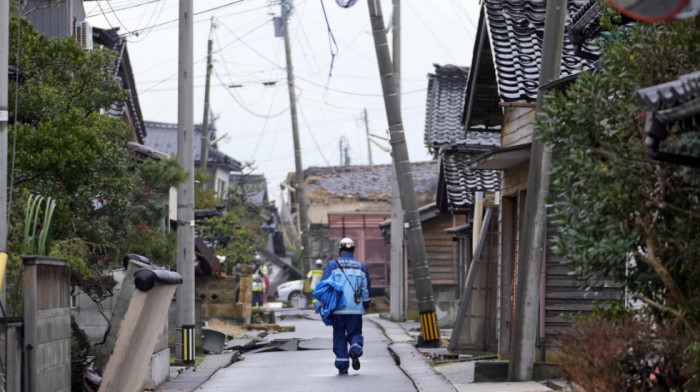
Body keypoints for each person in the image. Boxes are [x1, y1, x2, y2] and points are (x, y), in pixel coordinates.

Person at [317, 238, 371, 375]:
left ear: (340, 251)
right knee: (355, 332)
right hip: (355, 308)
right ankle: (355, 347)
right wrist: (365, 305)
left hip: (337, 309)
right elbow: (366, 290)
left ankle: (342, 364)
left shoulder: (332, 265)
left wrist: (323, 304)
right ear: (353, 250)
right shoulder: (361, 267)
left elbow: (324, 286)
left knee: (339, 335)